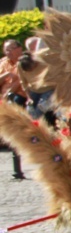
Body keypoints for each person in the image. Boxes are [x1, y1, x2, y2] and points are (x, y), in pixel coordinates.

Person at [0, 39, 28, 180]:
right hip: (4, 96)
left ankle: (18, 168)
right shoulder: (3, 63)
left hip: (19, 96)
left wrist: (5, 96)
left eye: (11, 49)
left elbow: (20, 81)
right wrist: (5, 75)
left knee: (13, 101)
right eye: (6, 50)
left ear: (19, 48)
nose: (8, 52)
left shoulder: (24, 61)